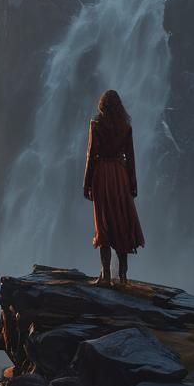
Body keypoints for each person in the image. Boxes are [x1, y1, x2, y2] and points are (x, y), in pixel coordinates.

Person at [83, 89, 145, 287]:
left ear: (102, 105)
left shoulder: (96, 125)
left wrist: (87, 183)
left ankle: (106, 276)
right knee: (121, 223)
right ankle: (123, 277)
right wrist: (133, 185)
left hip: (102, 175)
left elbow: (91, 155)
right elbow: (131, 157)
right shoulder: (126, 127)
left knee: (104, 223)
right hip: (120, 175)